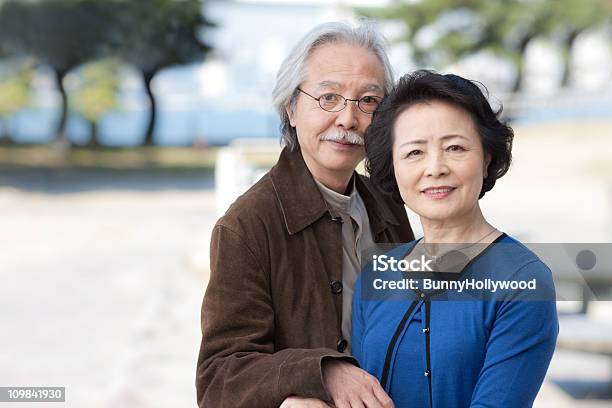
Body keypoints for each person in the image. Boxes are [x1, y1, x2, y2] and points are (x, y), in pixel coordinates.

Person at [196, 22, 414, 408]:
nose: (348, 119)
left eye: (368, 101)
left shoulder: (388, 204)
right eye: (329, 97)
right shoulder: (246, 225)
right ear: (291, 108)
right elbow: (219, 377)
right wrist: (321, 372)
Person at [352, 70, 558, 407]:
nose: (435, 167)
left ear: (487, 156)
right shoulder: (376, 273)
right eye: (414, 152)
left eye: (455, 147)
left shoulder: (523, 280)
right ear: (393, 167)